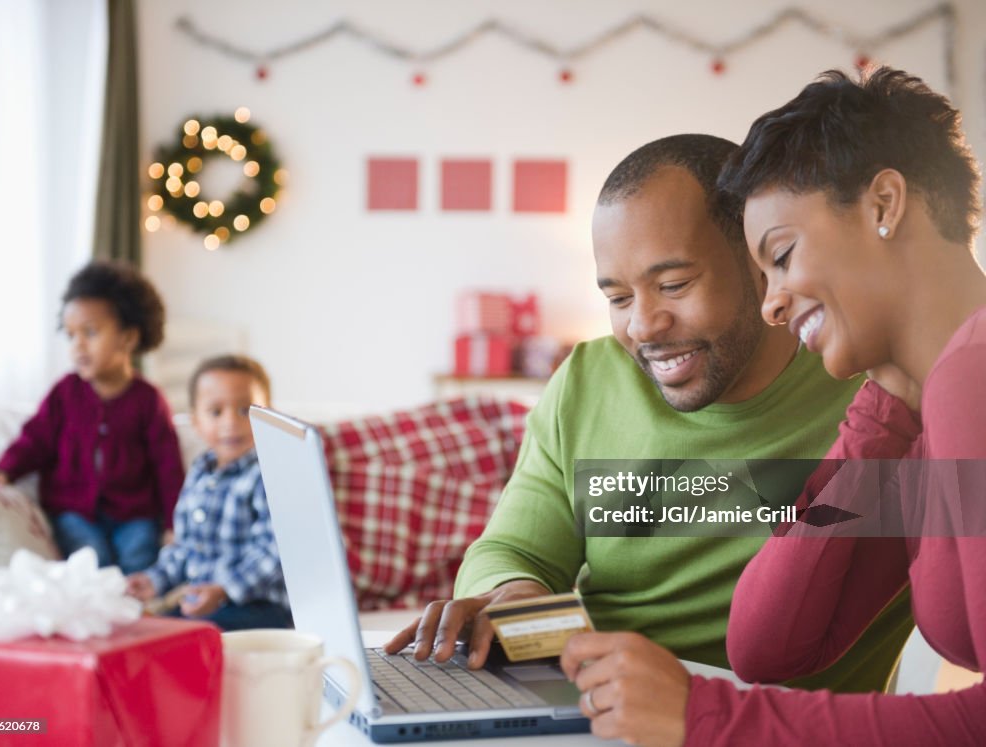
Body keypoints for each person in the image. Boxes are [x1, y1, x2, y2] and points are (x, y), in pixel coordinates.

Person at [386, 134, 912, 697]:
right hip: (589, 710)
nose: (642, 326)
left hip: (765, 724)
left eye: (673, 285)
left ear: (760, 262)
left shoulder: (879, 401)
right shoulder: (588, 379)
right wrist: (516, 595)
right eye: (617, 298)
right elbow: (514, 549)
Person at [560, 68, 986, 745]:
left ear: (883, 203)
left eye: (782, 256)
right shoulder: (925, 403)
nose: (772, 303)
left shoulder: (973, 374)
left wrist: (707, 718)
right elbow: (768, 643)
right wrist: (881, 414)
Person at [0, 261, 183, 574]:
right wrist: (5, 469)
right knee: (91, 561)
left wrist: (174, 524)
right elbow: (34, 439)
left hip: (135, 514)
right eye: (71, 334)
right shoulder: (64, 393)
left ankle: (141, 617)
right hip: (73, 511)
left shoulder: (148, 400)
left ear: (128, 339)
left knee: (140, 558)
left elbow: (168, 468)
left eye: (90, 333)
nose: (78, 345)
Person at [127, 354, 291, 631]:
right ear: (196, 422)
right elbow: (185, 547)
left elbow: (275, 553)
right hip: (203, 602)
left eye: (245, 410)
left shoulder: (268, 475)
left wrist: (223, 589)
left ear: (270, 415)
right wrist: (155, 579)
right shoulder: (199, 473)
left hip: (258, 605)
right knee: (154, 628)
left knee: (185, 632)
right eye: (216, 412)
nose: (231, 422)